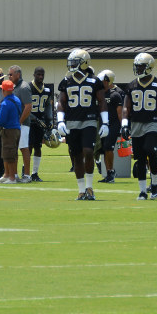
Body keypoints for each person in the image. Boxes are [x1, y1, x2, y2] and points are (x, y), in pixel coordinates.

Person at [57, 48, 109, 201]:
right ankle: (81, 190)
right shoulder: (66, 81)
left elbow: (101, 102)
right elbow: (61, 102)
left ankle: (89, 187)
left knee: (88, 151)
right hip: (72, 122)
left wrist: (105, 122)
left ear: (84, 63)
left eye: (75, 62)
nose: (71, 65)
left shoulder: (94, 80)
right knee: (76, 156)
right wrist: (60, 120)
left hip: (89, 120)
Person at [121, 53, 157, 199]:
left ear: (149, 67)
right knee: (140, 158)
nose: (138, 69)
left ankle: (155, 182)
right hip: (136, 124)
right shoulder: (132, 85)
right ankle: (141, 190)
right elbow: (126, 107)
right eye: (137, 66)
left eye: (141, 66)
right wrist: (124, 124)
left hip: (153, 123)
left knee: (150, 151)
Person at [0, 79, 23, 183]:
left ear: (4, 90)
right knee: (8, 153)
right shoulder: (16, 100)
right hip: (16, 129)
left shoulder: (5, 103)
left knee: (9, 155)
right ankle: (7, 175)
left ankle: (12, 178)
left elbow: (1, 121)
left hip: (9, 131)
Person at [26, 67, 53, 182]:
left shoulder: (47, 90)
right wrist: (35, 119)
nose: (40, 77)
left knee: (38, 146)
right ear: (34, 75)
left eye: (42, 74)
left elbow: (48, 106)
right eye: (38, 74)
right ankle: (25, 170)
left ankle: (35, 173)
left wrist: (50, 120)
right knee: (28, 146)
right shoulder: (28, 88)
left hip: (40, 121)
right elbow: (24, 107)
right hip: (29, 121)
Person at [96, 69, 123, 184]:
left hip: (113, 124)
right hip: (102, 125)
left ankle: (111, 172)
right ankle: (108, 173)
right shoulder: (99, 94)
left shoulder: (115, 94)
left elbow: (120, 113)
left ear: (107, 81)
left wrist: (123, 126)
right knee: (103, 149)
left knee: (108, 147)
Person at [7, 65, 33, 182]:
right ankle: (15, 175)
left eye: (11, 74)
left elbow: (28, 107)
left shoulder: (24, 87)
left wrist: (20, 121)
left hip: (22, 123)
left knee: (23, 147)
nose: (9, 76)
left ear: (18, 74)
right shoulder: (13, 87)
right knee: (15, 148)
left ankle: (27, 175)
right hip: (14, 123)